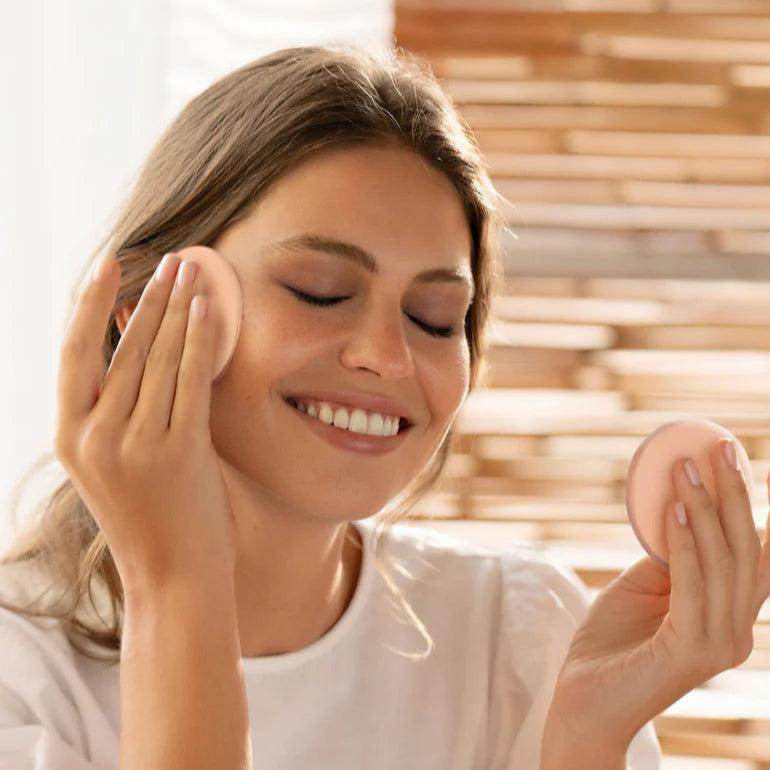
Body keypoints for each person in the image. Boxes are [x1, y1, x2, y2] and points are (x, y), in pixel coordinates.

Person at [1, 43, 765, 770]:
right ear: (148, 309)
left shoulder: (517, 635)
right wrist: (176, 586)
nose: (389, 356)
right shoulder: (19, 671)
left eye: (435, 317)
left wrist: (584, 738)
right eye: (321, 292)